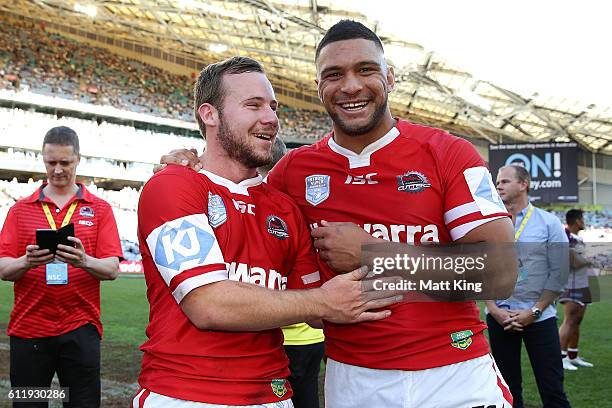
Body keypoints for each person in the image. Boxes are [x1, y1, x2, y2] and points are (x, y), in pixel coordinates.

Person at [161, 21, 518, 408]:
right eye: (334, 75)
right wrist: (186, 171)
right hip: (354, 379)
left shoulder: (448, 153)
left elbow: (500, 273)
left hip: (456, 374)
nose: (350, 86)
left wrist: (372, 252)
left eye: (365, 70)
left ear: (390, 78)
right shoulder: (292, 173)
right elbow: (232, 196)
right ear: (319, 88)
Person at [134, 56, 401, 407]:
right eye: (253, 105)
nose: (271, 118)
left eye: (273, 107)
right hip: (187, 394)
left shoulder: (284, 208)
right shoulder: (173, 185)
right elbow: (208, 304)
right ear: (209, 114)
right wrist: (324, 301)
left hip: (275, 394)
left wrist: (380, 255)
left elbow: (322, 311)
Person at [0, 126, 122, 408]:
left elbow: (112, 269)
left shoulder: (100, 209)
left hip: (81, 328)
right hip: (29, 329)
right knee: (29, 404)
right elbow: (4, 269)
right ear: (43, 160)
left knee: (82, 403)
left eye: (65, 163)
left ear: (78, 159)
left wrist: (83, 261)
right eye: (50, 162)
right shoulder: (20, 210)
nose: (57, 170)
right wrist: (26, 262)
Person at [487, 164, 571, 408]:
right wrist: (494, 310)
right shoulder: (488, 223)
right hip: (499, 318)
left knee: (552, 388)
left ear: (523, 184)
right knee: (507, 391)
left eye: (504, 181)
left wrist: (534, 311)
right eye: (497, 182)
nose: (498, 185)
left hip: (539, 317)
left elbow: (559, 273)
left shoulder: (548, 223)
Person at [260, 137, 325, 408]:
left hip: (281, 335)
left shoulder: (267, 206)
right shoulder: (304, 203)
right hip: (315, 334)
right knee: (308, 397)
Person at [558, 209, 595, 370]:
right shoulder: (566, 237)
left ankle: (573, 355)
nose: (584, 221)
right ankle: (561, 357)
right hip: (571, 285)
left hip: (582, 284)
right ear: (577, 221)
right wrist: (589, 260)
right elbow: (572, 262)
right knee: (569, 320)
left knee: (577, 321)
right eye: (582, 219)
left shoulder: (576, 238)